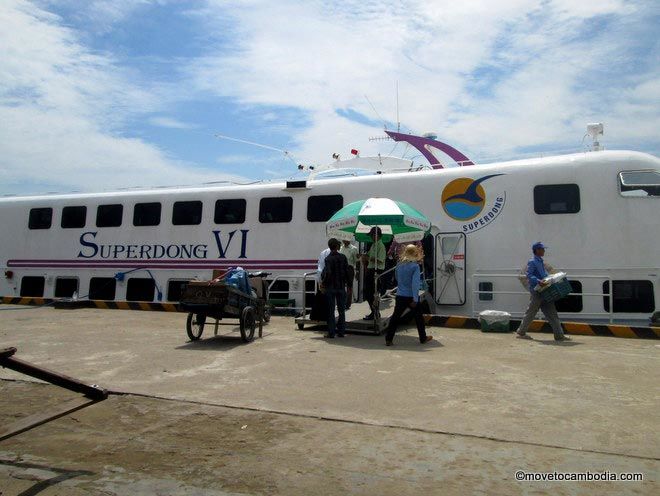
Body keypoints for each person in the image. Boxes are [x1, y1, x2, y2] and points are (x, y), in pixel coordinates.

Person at [516, 242, 570, 341]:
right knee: (531, 312)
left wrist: (550, 278)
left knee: (552, 313)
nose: (544, 251)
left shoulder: (540, 261)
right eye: (542, 249)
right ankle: (521, 332)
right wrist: (538, 281)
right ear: (537, 250)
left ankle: (559, 335)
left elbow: (543, 273)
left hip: (545, 290)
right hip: (537, 291)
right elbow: (529, 275)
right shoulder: (532, 261)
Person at [384, 244, 433, 346]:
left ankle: (389, 339)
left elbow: (397, 278)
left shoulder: (399, 265)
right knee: (419, 317)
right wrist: (415, 299)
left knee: (395, 317)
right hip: (411, 296)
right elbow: (415, 284)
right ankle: (423, 338)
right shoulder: (415, 267)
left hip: (400, 294)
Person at [321, 238, 349, 338]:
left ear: (329, 247)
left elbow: (328, 273)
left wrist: (323, 283)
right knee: (342, 310)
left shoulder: (328, 259)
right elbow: (347, 272)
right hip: (341, 287)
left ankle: (331, 332)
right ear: (337, 246)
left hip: (331, 288)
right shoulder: (343, 257)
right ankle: (341, 332)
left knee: (331, 310)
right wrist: (346, 283)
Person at [361, 227, 386, 320]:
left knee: (373, 293)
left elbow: (380, 260)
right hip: (370, 270)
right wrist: (364, 256)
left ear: (376, 235)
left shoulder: (381, 246)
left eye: (372, 235)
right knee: (368, 293)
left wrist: (369, 258)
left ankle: (375, 313)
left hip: (377, 271)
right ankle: (374, 312)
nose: (371, 237)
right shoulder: (373, 245)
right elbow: (369, 255)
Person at [309, 245, 331, 321]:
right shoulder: (338, 254)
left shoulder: (323, 253)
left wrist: (320, 281)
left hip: (323, 279)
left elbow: (320, 268)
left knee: (322, 298)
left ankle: (321, 315)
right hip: (331, 282)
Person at [339, 239, 359, 309]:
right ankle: (342, 302)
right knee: (341, 286)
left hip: (349, 268)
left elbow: (357, 261)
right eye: (343, 239)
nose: (343, 241)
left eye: (345, 239)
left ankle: (347, 304)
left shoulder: (354, 249)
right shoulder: (341, 248)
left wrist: (357, 271)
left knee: (349, 287)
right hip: (341, 269)